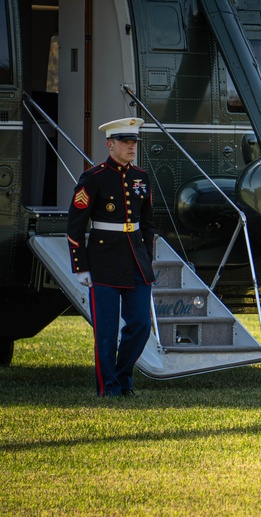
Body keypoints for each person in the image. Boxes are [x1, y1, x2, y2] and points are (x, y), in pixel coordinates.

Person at [67, 117, 156, 397]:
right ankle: (110, 389)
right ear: (110, 145)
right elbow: (76, 225)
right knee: (106, 333)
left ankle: (123, 377)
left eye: (134, 142)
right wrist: (79, 265)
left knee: (141, 325)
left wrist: (148, 257)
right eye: (126, 142)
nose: (132, 147)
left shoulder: (141, 177)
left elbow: (148, 223)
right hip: (103, 262)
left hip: (136, 262)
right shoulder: (93, 179)